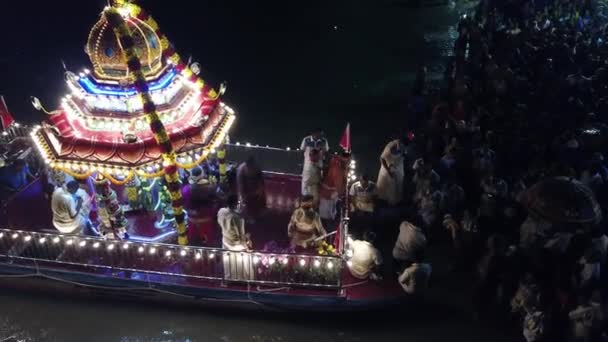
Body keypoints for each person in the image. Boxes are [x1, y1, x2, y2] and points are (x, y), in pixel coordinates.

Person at [217, 195, 253, 280]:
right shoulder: (237, 218)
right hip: (237, 246)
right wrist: (247, 247)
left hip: (225, 241)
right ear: (236, 204)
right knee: (245, 265)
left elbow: (221, 224)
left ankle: (229, 279)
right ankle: (246, 280)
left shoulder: (221, 211)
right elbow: (241, 236)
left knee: (229, 265)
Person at [376, 137, 405, 206]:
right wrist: (388, 171)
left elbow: (402, 155)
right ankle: (385, 201)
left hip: (398, 166)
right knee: (386, 184)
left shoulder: (403, 146)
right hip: (388, 166)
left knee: (398, 183)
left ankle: (396, 200)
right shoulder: (388, 149)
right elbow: (382, 159)